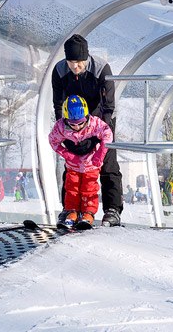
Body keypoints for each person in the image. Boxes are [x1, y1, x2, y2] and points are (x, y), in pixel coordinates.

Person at [52, 34, 123, 226]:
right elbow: (58, 104)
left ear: (87, 57)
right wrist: (65, 131)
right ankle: (69, 209)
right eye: (71, 62)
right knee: (72, 165)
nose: (76, 66)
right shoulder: (59, 70)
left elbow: (109, 106)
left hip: (101, 121)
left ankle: (112, 209)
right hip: (73, 122)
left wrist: (97, 136)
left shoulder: (101, 69)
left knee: (107, 164)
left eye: (80, 62)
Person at [48, 95, 113, 227]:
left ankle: (88, 212)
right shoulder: (61, 127)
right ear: (66, 119)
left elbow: (108, 134)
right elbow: (53, 141)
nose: (77, 127)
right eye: (72, 124)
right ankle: (72, 211)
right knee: (71, 188)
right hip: (73, 165)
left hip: (91, 163)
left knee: (89, 188)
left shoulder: (94, 123)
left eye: (80, 123)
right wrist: (67, 154)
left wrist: (100, 154)